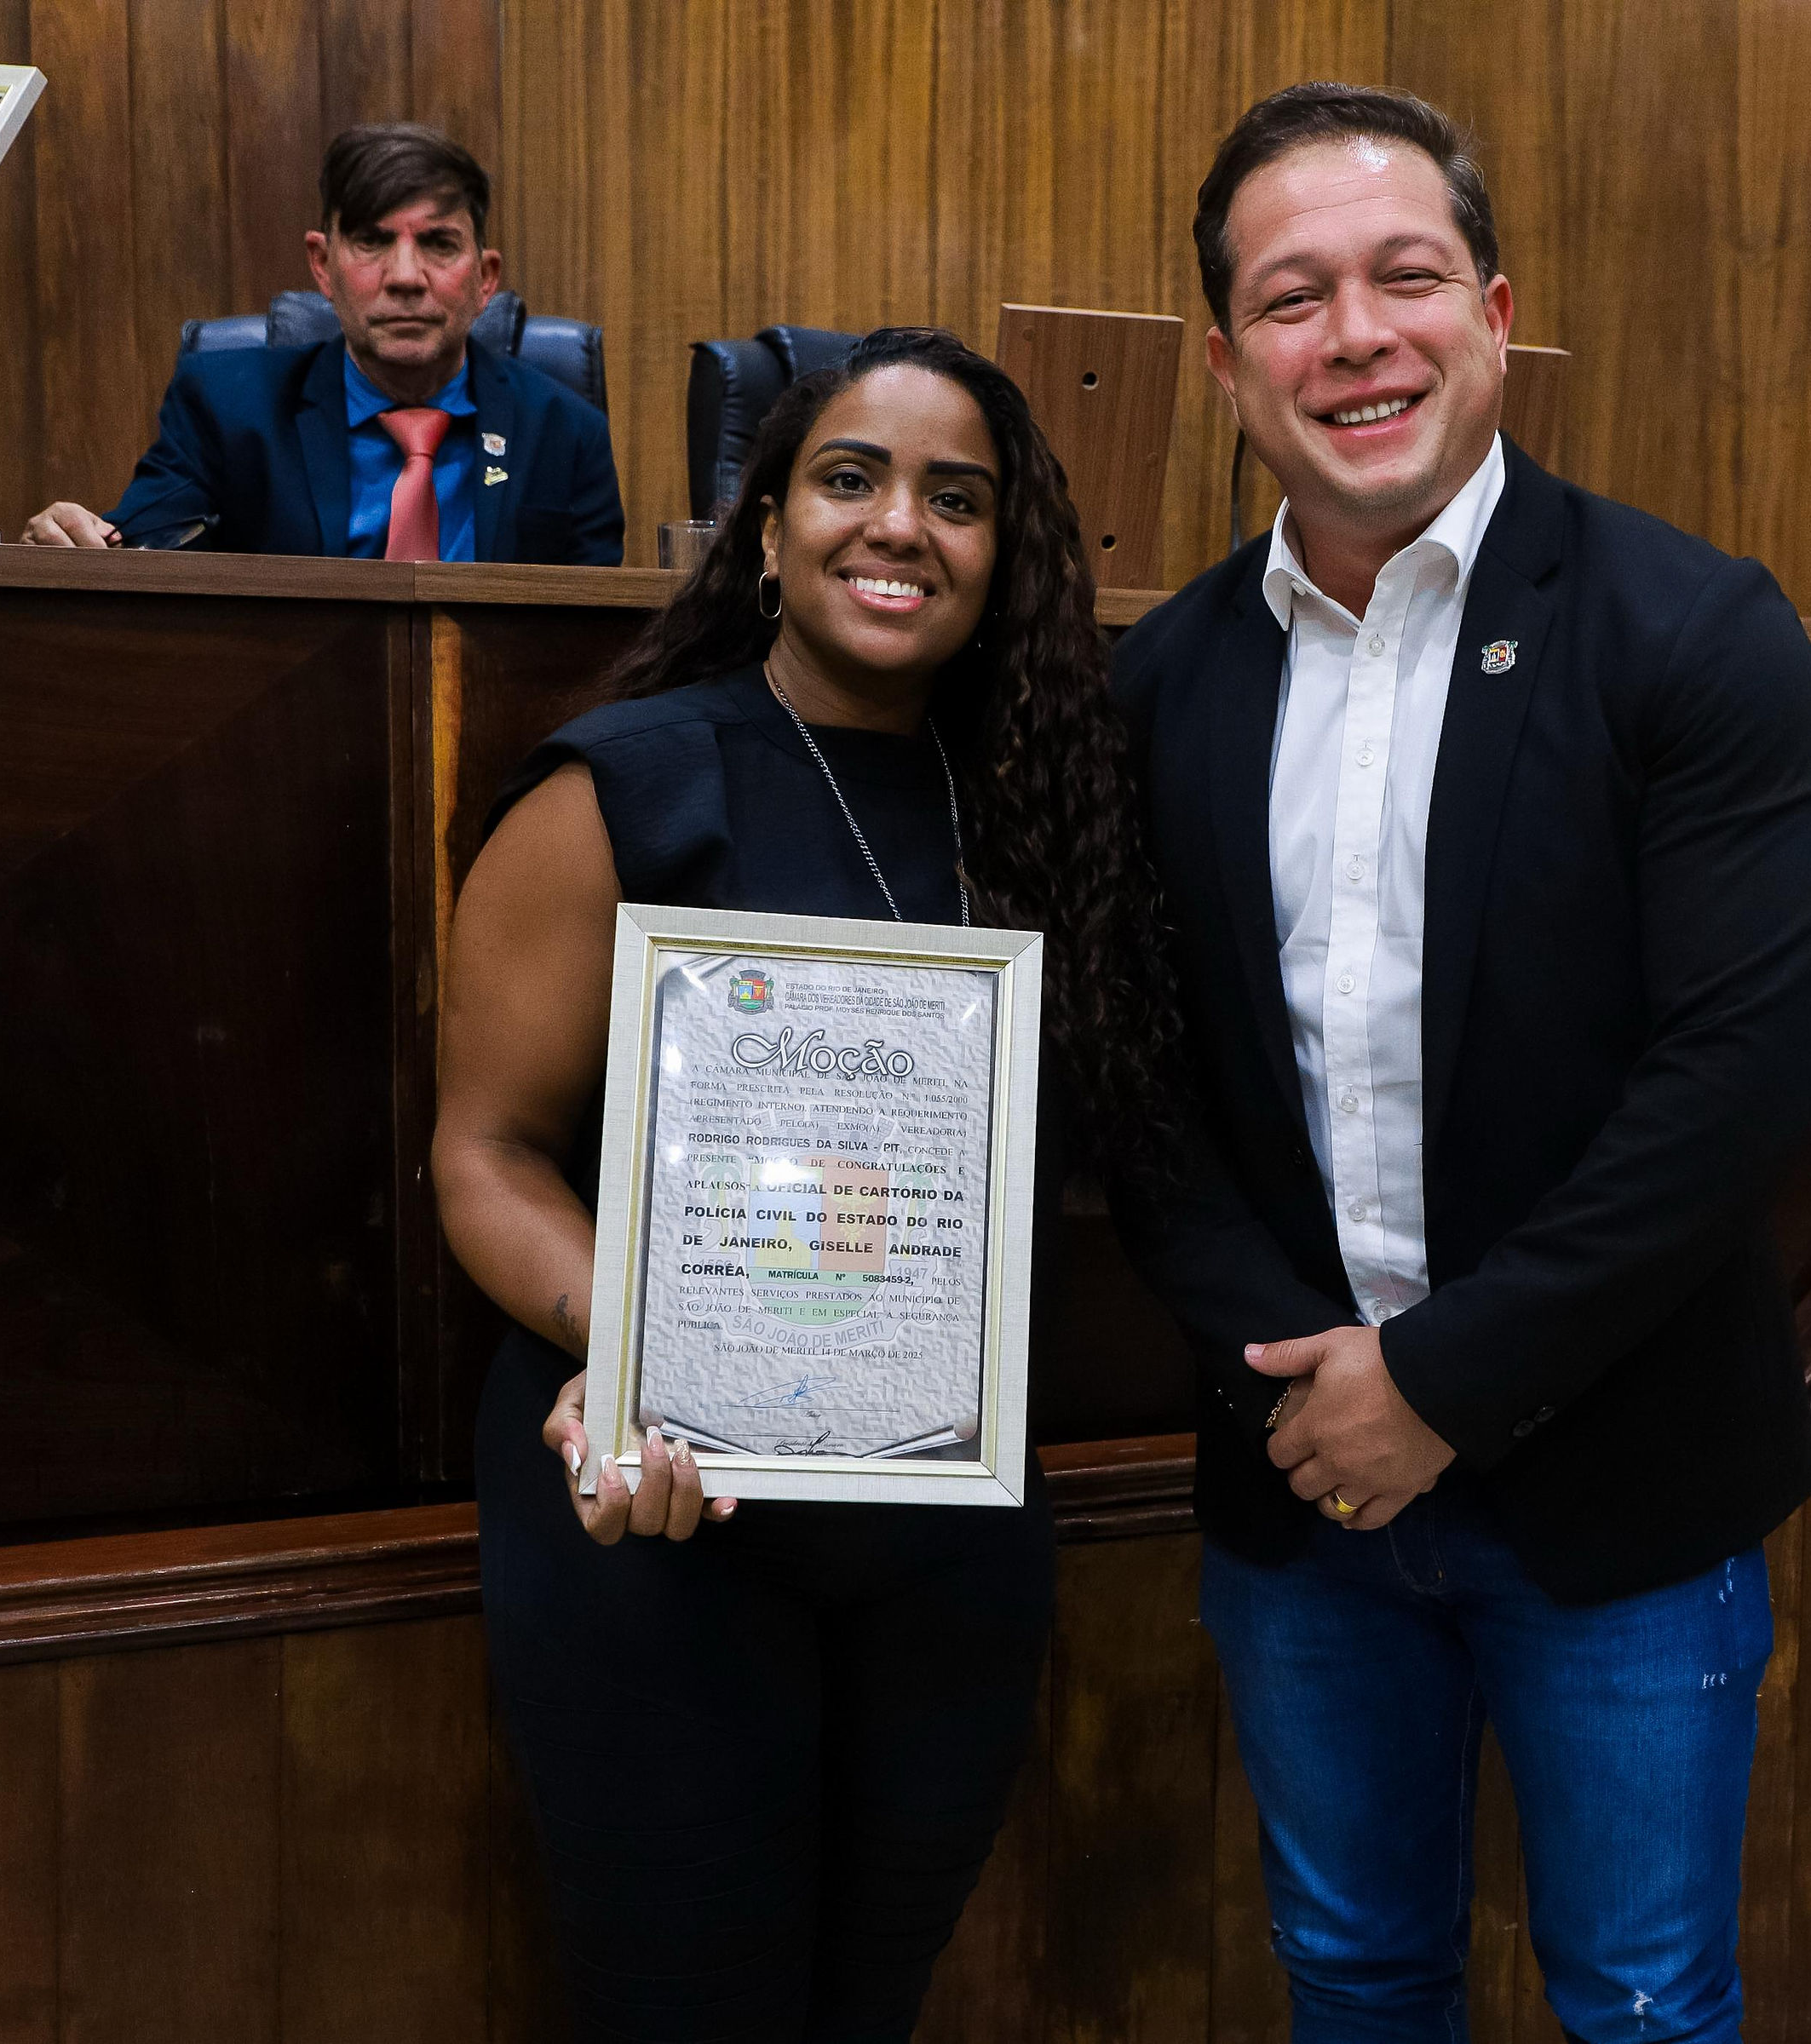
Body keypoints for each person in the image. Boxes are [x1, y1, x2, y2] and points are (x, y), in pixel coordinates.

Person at [1112, 84, 1811, 2042]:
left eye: (1406, 276)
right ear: (1222, 363)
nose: (1354, 333)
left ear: (1499, 310)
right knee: (1353, 1971)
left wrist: (1438, 1378)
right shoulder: (1163, 678)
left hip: (1616, 1488)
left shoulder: (1690, 629)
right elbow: (1136, 1077)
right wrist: (1305, 1378)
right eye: (1292, 297)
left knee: (1635, 1998)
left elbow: (1740, 1077)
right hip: (1298, 1486)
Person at [434, 326, 1173, 2039]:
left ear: (1009, 557)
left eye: (957, 497)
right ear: (763, 530)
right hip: (660, 1514)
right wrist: (626, 1351)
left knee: (869, 2003)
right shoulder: (621, 789)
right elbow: (485, 1154)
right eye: (849, 479)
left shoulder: (1049, 814)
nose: (899, 524)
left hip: (947, 1529)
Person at [25, 123, 622, 562]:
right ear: (323, 265)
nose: (407, 277)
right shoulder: (228, 408)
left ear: (485, 278)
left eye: (439, 244)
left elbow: (591, 648)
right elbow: (134, 546)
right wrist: (66, 542)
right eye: (372, 241)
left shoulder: (568, 433)